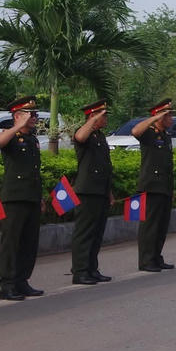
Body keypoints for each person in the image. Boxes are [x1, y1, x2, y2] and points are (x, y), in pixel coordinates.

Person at [0, 95, 44, 301]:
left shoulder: (32, 139)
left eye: (35, 114)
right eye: (30, 114)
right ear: (17, 116)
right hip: (14, 198)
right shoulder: (10, 136)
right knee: (11, 243)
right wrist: (16, 126)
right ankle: (7, 284)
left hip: (31, 196)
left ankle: (22, 281)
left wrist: (40, 197)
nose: (34, 117)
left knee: (29, 243)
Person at [71, 99, 114, 284]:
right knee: (85, 233)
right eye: (102, 116)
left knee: (97, 233)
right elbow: (80, 137)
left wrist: (109, 192)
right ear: (92, 116)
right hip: (87, 190)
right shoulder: (84, 134)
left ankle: (91, 268)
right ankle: (80, 270)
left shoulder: (100, 136)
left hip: (100, 190)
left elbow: (105, 166)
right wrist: (91, 119)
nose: (106, 119)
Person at [133, 99, 176, 272]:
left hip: (164, 186)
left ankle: (157, 257)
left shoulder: (165, 135)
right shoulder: (149, 133)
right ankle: (146, 260)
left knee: (161, 226)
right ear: (159, 117)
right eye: (168, 115)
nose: (171, 119)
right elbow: (135, 131)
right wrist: (154, 117)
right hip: (151, 186)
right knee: (150, 227)